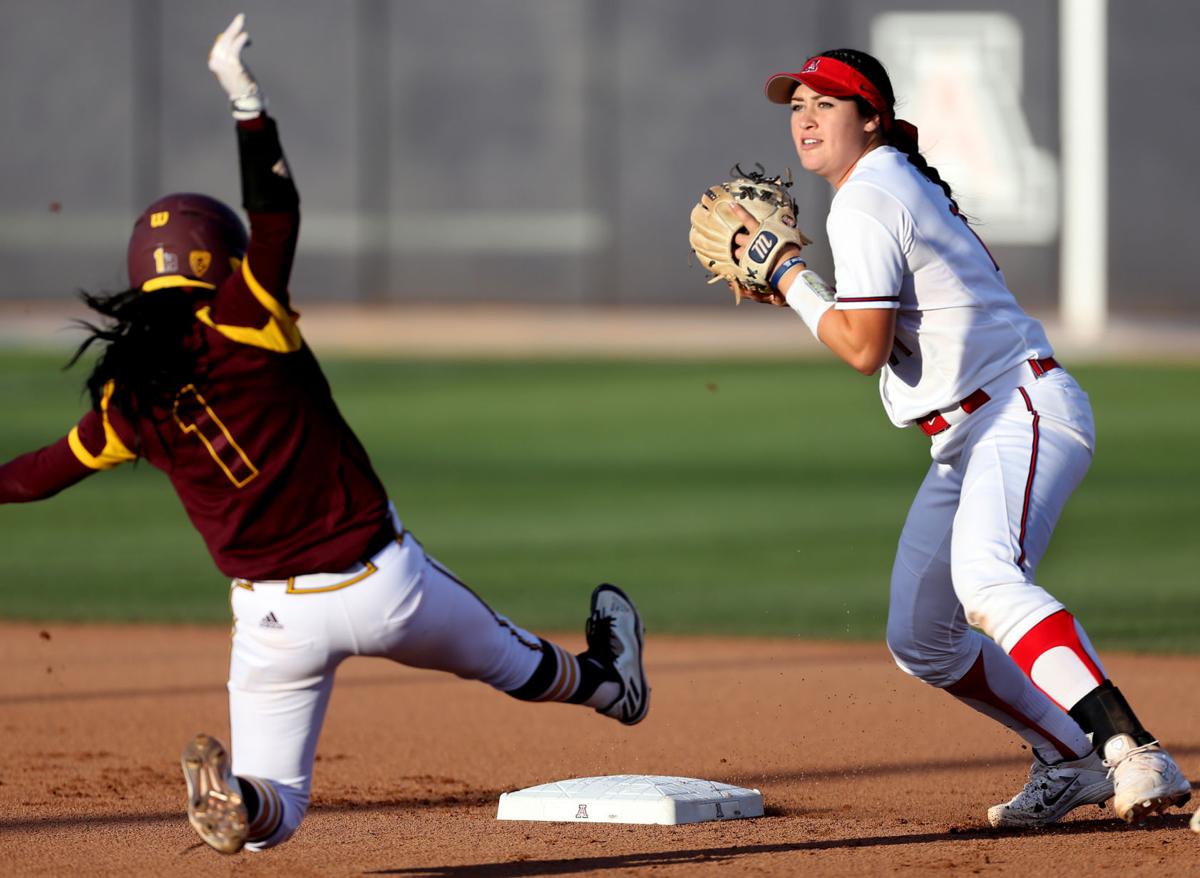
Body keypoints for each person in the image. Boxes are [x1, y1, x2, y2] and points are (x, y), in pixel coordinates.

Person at [0, 14, 648, 855]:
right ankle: (610, 690)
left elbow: (33, 477)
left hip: (272, 621)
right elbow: (276, 215)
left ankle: (242, 799)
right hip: (385, 588)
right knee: (507, 658)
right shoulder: (244, 321)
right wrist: (247, 102)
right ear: (220, 263)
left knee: (281, 811)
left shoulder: (129, 401)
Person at [725, 48, 1190, 828]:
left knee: (985, 578)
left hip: (1020, 408)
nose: (805, 116)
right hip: (966, 434)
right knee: (922, 636)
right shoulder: (884, 187)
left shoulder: (869, 194)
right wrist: (799, 289)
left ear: (871, 119)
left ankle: (1133, 749)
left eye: (827, 103)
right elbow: (870, 330)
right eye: (796, 103)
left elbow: (862, 346)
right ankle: (1067, 756)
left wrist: (790, 281)